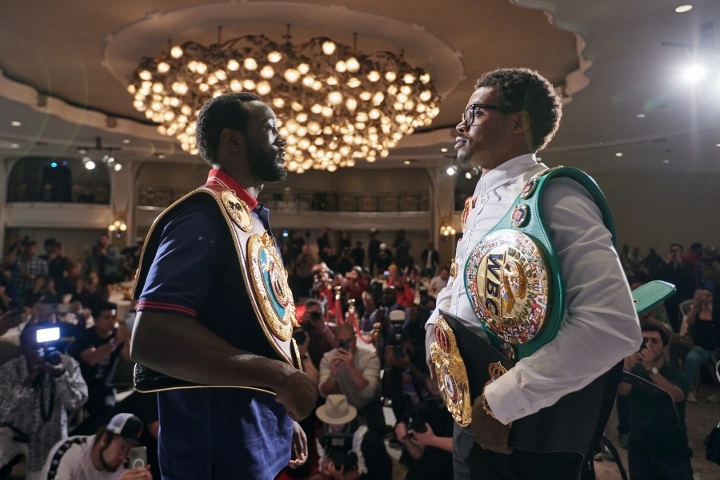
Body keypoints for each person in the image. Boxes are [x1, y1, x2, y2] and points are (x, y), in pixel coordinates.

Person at [425, 68, 640, 479]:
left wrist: (501, 402)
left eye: (474, 113)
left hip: (527, 431)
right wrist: (436, 336)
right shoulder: (481, 199)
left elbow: (611, 325)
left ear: (518, 122)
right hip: (474, 413)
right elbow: (460, 284)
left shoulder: (554, 195)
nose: (460, 126)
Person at [129, 92, 317, 480]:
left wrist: (277, 414)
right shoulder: (202, 216)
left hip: (250, 436)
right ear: (231, 140)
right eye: (270, 129)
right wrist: (280, 378)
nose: (282, 139)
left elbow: (251, 333)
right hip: (214, 452)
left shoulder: (246, 217)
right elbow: (152, 337)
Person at [0, 323, 88, 479]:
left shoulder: (66, 364)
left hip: (52, 439)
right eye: (34, 349)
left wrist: (60, 375)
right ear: (22, 350)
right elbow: (4, 412)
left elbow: (77, 401)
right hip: (16, 440)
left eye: (46, 346)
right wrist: (28, 381)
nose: (42, 352)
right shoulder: (10, 369)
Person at [618, 323, 693, 479]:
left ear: (665, 348)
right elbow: (622, 391)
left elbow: (674, 396)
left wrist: (651, 369)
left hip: (671, 451)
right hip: (639, 448)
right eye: (644, 340)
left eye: (654, 341)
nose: (648, 345)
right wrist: (627, 367)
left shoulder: (676, 375)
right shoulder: (636, 370)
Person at [41, 413, 152, 480]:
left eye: (129, 451)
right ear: (105, 438)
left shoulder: (124, 467)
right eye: (121, 447)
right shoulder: (69, 451)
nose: (123, 457)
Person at [69, 301, 131, 418]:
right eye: (106, 318)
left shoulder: (116, 335)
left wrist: (127, 338)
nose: (111, 321)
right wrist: (115, 343)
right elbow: (92, 359)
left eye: (113, 317)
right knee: (103, 411)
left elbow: (128, 357)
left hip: (105, 386)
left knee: (110, 407)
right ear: (96, 320)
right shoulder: (86, 336)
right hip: (83, 386)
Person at [318, 324, 383, 434]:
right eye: (341, 342)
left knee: (374, 435)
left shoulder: (369, 358)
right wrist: (333, 375)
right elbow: (323, 392)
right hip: (340, 410)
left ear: (355, 340)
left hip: (366, 407)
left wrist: (351, 367)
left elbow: (367, 393)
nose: (346, 345)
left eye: (349, 341)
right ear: (335, 341)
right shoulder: (328, 358)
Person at [310, 394, 392, 480]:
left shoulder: (365, 436)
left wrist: (344, 477)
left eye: (340, 421)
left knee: (373, 444)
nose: (336, 426)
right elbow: (323, 465)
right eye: (332, 421)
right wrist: (326, 471)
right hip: (341, 471)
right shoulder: (322, 437)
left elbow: (369, 470)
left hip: (367, 473)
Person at [682, 287, 719, 403]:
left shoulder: (717, 311)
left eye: (708, 295)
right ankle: (688, 390)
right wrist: (695, 305)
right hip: (700, 349)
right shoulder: (696, 311)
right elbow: (689, 322)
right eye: (703, 295)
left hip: (716, 349)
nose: (705, 298)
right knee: (691, 358)